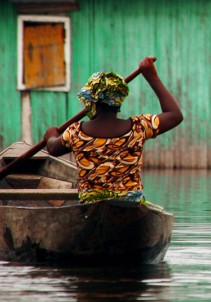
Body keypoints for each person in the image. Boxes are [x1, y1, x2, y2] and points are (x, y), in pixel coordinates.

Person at [44, 57, 183, 206]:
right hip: (131, 203)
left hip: (91, 204)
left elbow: (52, 148)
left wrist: (51, 134)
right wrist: (152, 77)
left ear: (92, 102)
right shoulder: (139, 127)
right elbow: (175, 115)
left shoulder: (76, 132)